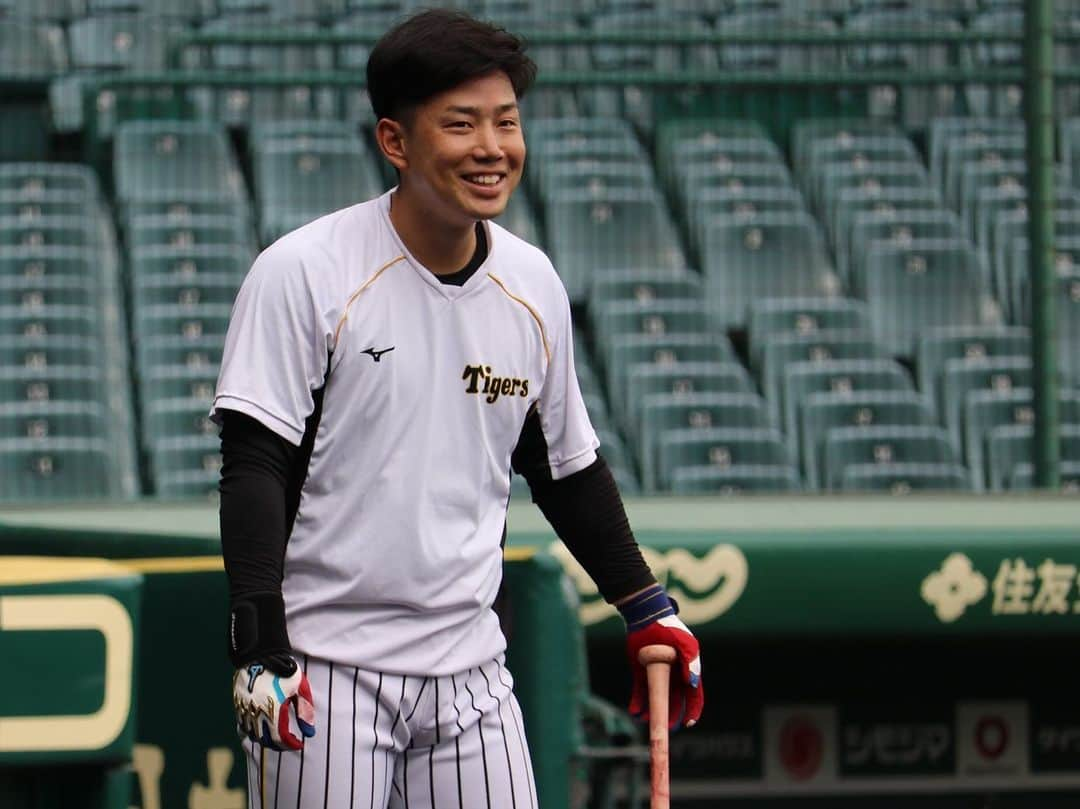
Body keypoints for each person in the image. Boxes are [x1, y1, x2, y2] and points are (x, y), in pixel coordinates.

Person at [213, 9, 703, 808]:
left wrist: (648, 606)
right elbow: (254, 466)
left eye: (507, 122)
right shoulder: (303, 271)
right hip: (327, 667)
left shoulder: (533, 283)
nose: (492, 147)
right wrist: (260, 645)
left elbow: (566, 469)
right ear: (395, 142)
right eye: (462, 124)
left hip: (471, 668)